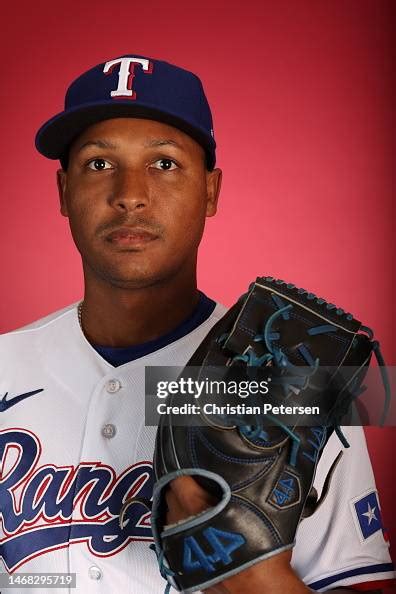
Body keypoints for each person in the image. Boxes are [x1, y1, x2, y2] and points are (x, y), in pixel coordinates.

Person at [0, 54, 394, 594]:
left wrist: (254, 576)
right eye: (98, 164)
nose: (130, 193)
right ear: (63, 191)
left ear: (211, 191)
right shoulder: (5, 364)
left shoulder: (293, 380)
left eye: (163, 163)